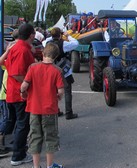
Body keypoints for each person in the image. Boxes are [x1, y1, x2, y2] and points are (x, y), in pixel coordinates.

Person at [20, 42, 64, 168]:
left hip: (34, 108)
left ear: (43, 53)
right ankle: (50, 165)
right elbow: (60, 91)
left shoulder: (33, 67)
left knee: (35, 137)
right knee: (50, 137)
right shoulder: (57, 70)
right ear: (55, 56)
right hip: (49, 109)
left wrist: (23, 93)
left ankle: (36, 166)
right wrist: (58, 97)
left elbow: (24, 85)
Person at [1, 23, 36, 166]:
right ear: (31, 35)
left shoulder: (17, 47)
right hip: (19, 94)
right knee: (22, 125)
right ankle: (18, 156)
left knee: (16, 124)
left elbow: (7, 65)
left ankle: (18, 152)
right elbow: (17, 73)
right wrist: (28, 84)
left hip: (12, 93)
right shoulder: (22, 50)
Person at [42, 27, 79, 120]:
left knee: (52, 91)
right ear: (60, 34)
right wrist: (67, 35)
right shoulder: (63, 44)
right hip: (64, 71)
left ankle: (56, 110)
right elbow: (76, 43)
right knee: (67, 91)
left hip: (51, 70)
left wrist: (53, 36)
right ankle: (68, 113)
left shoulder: (47, 43)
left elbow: (46, 40)